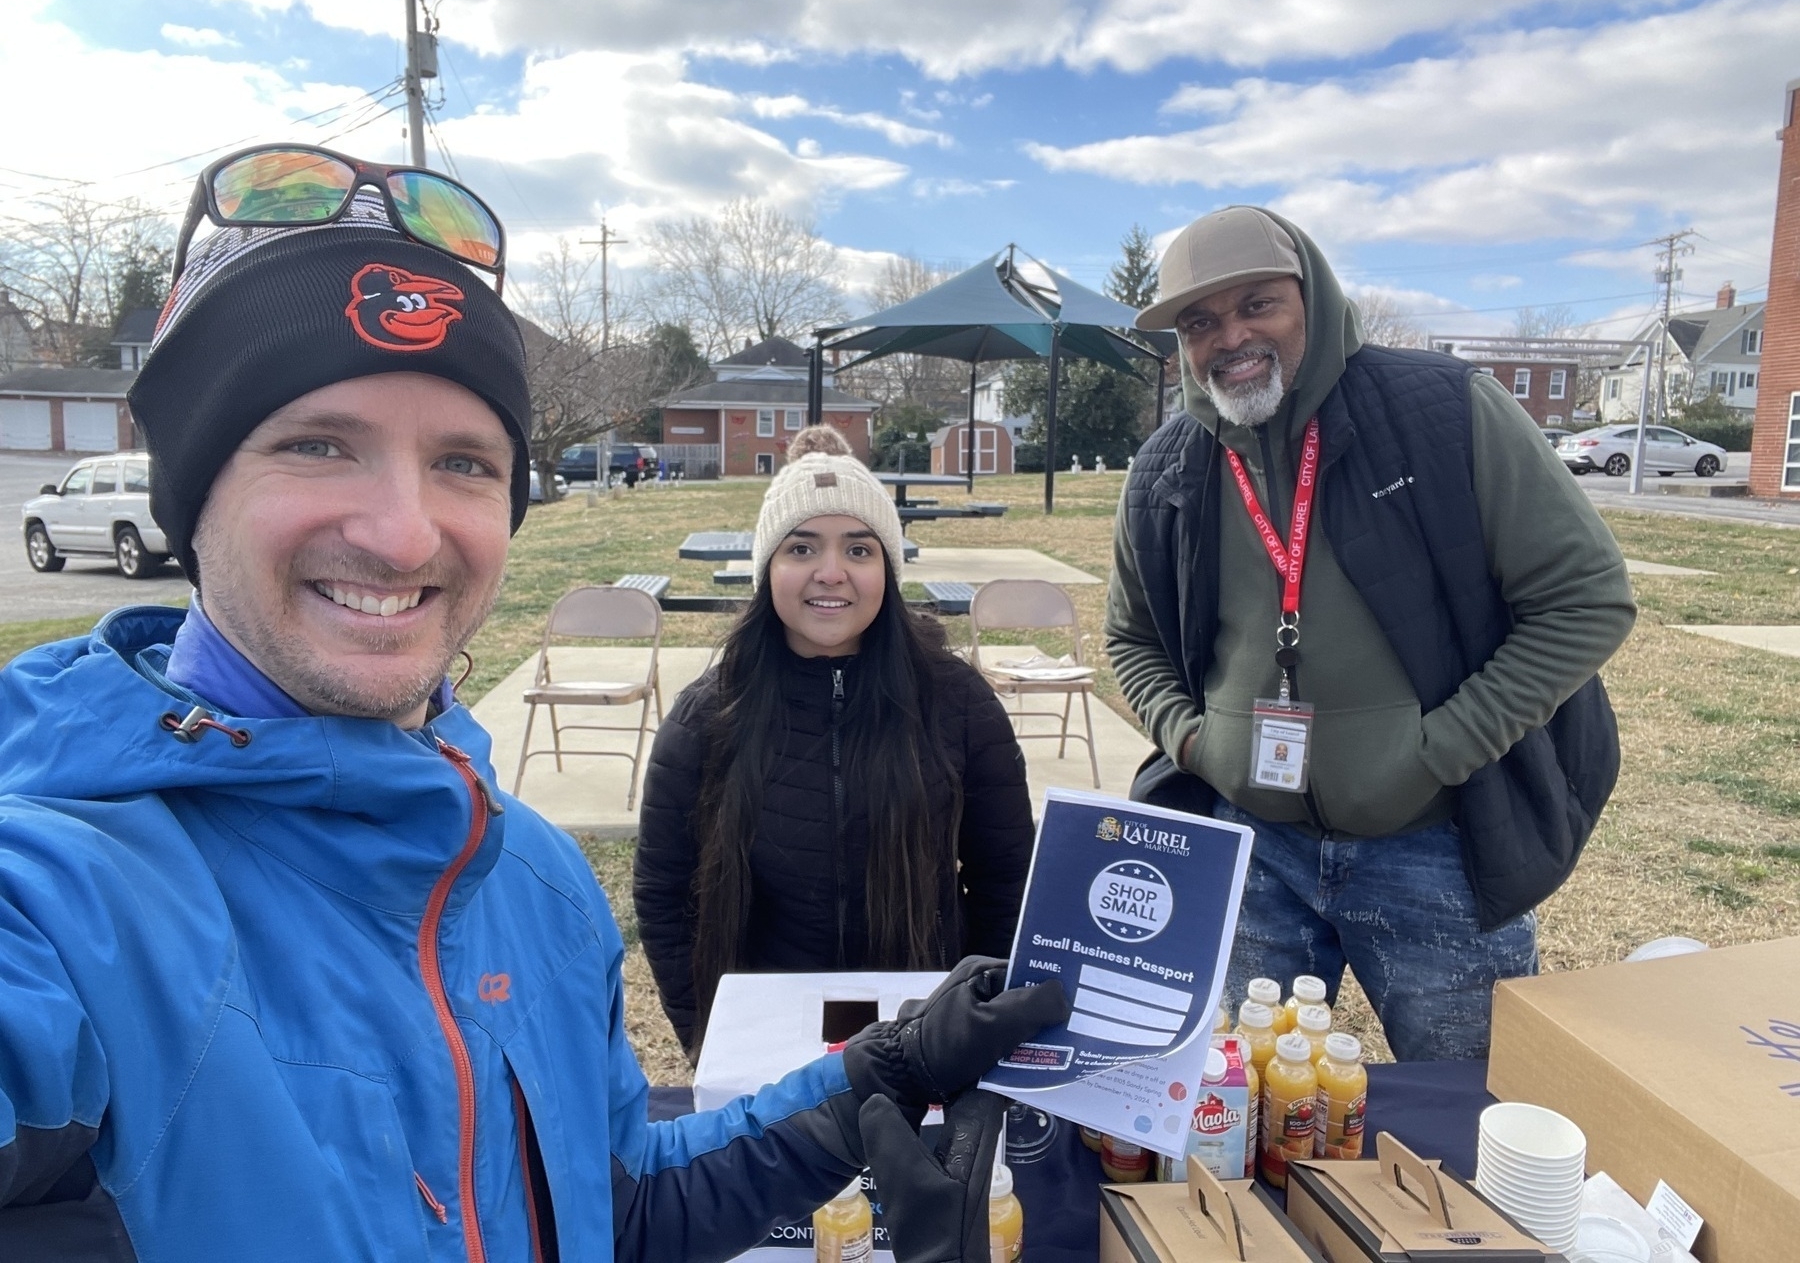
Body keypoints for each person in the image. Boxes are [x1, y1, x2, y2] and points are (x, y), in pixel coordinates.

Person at [0, 145, 1066, 1261]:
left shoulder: (539, 890)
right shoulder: (67, 901)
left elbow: (624, 1204)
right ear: (191, 492)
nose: (405, 533)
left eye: (463, 463)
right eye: (317, 445)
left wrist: (878, 1073)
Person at [1107, 205, 1635, 1061]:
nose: (1230, 336)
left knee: (1468, 1116)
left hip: (1435, 848)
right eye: (1200, 322)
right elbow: (1129, 640)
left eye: (1258, 305)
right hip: (1252, 859)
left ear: (1313, 297)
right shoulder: (1170, 467)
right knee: (1240, 1119)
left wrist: (1440, 751)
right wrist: (1195, 742)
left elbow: (1587, 600)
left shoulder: (1443, 411)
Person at [635, 425, 1035, 1053]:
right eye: (801, 549)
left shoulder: (958, 703)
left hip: (926, 1037)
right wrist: (707, 1040)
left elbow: (1006, 879)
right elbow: (663, 897)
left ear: (887, 568)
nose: (830, 573)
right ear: (769, 567)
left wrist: (978, 1022)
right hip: (770, 1046)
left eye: (858, 550)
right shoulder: (707, 716)